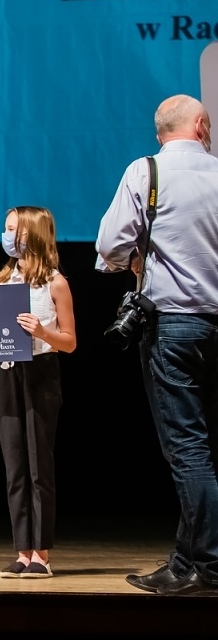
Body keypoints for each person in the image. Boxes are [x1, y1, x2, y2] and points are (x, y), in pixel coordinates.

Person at [97, 94, 218, 595]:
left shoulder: (146, 172)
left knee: (188, 452)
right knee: (204, 452)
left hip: (173, 327)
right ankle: (187, 560)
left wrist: (133, 262)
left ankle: (207, 567)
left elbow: (108, 245)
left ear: (160, 132)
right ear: (203, 126)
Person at [0, 207, 76, 579]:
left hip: (41, 374)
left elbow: (70, 342)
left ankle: (42, 554)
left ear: (30, 234)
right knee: (15, 465)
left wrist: (43, 332)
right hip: (6, 373)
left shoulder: (55, 283)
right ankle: (22, 550)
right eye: (5, 228)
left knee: (38, 465)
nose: (6, 234)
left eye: (12, 229)